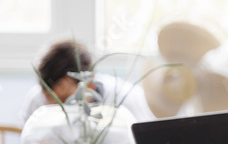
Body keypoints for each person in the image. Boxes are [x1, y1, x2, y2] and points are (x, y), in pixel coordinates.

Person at [18, 40, 155, 126]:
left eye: (65, 99)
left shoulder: (124, 100)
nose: (58, 107)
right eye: (50, 98)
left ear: (89, 82)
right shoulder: (37, 102)